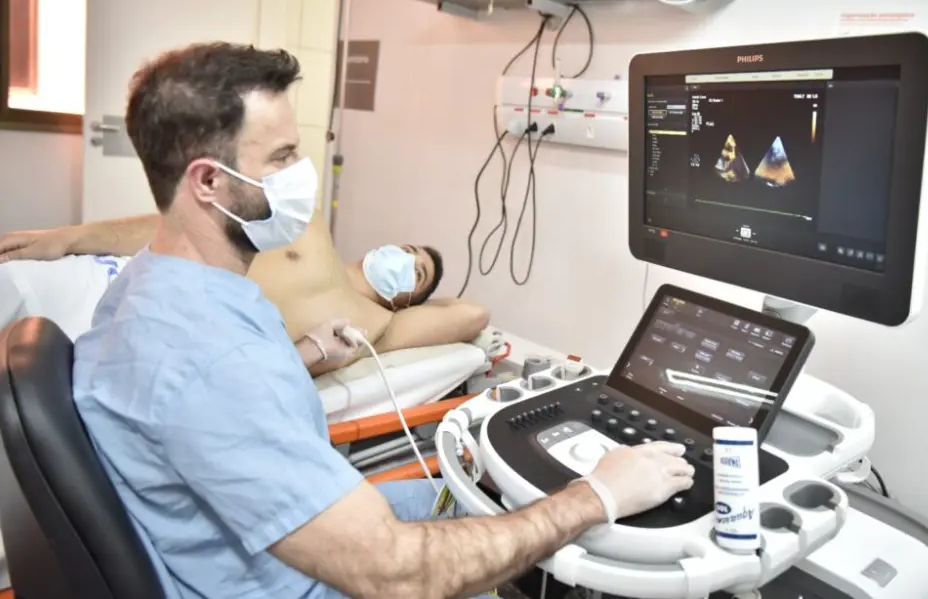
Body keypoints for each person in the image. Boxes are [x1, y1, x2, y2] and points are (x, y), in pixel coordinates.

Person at [71, 41, 695, 598]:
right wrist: (596, 495)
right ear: (208, 181)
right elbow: (398, 575)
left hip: (251, 540)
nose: (302, 175)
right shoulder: (214, 361)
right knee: (541, 529)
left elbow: (219, 400)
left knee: (473, 499)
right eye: (283, 158)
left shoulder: (154, 287)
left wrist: (309, 354)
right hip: (301, 581)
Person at [0, 213, 488, 376]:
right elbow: (182, 228)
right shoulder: (308, 226)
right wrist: (71, 237)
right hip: (112, 278)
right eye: (405, 249)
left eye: (415, 271)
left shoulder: (376, 322)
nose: (402, 259)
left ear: (406, 300)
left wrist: (423, 299)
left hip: (151, 341)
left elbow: (471, 314)